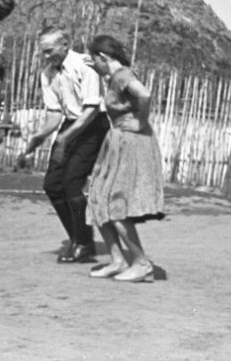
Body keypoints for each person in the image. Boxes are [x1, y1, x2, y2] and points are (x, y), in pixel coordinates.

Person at [20, 26, 110, 263]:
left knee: (71, 183)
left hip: (92, 127)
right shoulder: (47, 74)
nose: (47, 57)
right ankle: (79, 238)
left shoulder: (86, 65)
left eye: (50, 51)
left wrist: (64, 138)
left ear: (65, 44)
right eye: (43, 53)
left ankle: (83, 244)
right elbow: (54, 114)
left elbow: (91, 110)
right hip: (70, 125)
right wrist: (38, 137)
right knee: (52, 185)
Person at [85, 35, 164, 282]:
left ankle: (141, 263)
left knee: (116, 204)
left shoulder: (122, 75)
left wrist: (141, 120)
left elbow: (144, 93)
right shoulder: (115, 76)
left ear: (104, 57)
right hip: (119, 142)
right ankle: (118, 260)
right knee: (98, 197)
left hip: (132, 143)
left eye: (97, 60)